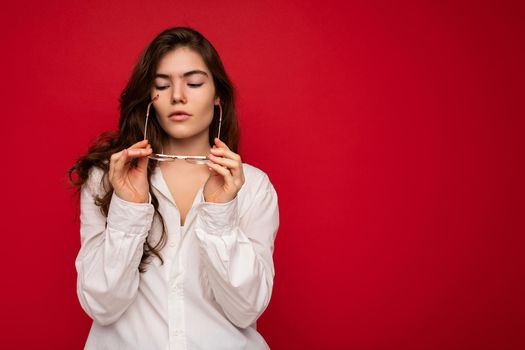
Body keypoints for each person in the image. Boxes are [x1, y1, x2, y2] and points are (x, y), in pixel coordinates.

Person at [68, 26, 280, 350]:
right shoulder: (108, 178)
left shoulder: (253, 188)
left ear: (217, 95)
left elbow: (247, 309)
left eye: (194, 83)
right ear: (149, 98)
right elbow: (101, 305)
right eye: (162, 85)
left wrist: (221, 212)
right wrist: (129, 207)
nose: (178, 96)